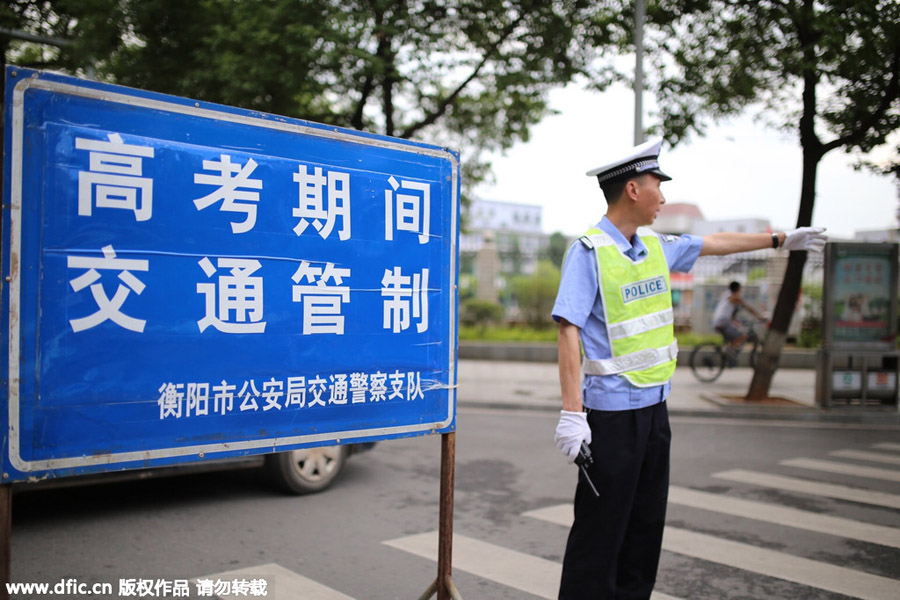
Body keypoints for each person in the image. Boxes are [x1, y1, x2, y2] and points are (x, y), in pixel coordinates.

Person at [551, 137, 827, 600]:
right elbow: (567, 332)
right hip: (612, 419)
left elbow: (715, 243)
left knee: (644, 529)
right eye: (657, 184)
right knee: (600, 535)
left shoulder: (655, 247)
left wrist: (781, 239)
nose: (663, 196)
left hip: (655, 413)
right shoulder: (589, 252)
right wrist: (572, 413)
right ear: (633, 189)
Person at [712, 281, 767, 362]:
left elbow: (730, 313)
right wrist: (760, 317)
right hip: (723, 321)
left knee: (734, 336)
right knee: (742, 336)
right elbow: (748, 308)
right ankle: (728, 352)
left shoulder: (726, 295)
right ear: (738, 289)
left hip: (719, 321)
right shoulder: (735, 297)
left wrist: (737, 322)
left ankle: (729, 356)